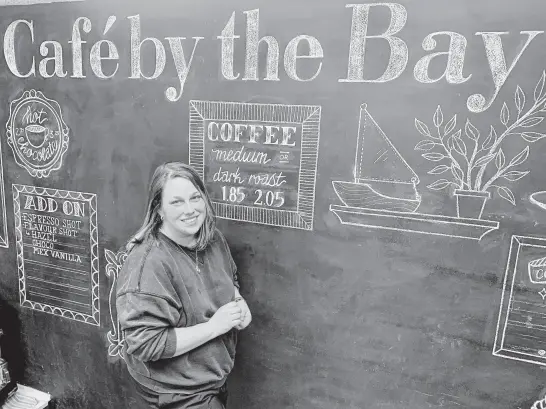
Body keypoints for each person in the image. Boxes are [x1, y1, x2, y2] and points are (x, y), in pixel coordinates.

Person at [116, 162, 252, 409]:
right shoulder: (149, 264)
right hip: (177, 393)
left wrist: (238, 302)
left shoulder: (213, 239)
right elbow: (146, 343)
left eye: (195, 198)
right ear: (159, 209)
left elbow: (229, 278)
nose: (190, 209)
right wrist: (214, 327)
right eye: (176, 202)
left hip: (211, 382)